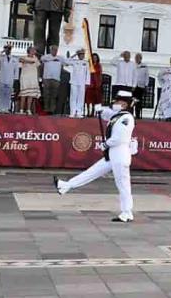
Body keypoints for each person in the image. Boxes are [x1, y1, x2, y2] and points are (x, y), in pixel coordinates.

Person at [54, 90, 137, 223]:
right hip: (113, 154)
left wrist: (106, 144)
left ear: (124, 104)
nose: (115, 103)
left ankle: (127, 212)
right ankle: (65, 186)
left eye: (118, 101)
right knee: (92, 172)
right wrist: (99, 108)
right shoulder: (117, 115)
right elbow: (106, 114)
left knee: (123, 185)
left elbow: (119, 138)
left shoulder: (126, 118)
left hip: (120, 154)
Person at [40, 45, 65, 115]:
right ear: (50, 50)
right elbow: (42, 60)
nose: (54, 51)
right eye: (53, 50)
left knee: (54, 95)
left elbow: (66, 62)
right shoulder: (45, 57)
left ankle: (52, 110)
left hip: (56, 79)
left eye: (56, 50)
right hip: (47, 78)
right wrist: (51, 59)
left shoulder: (60, 58)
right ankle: (46, 109)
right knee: (46, 94)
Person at [66, 49, 90, 118]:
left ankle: (79, 112)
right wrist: (74, 54)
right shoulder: (74, 61)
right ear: (78, 55)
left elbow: (88, 73)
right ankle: (72, 112)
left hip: (82, 83)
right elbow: (66, 61)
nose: (82, 56)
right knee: (73, 97)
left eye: (83, 54)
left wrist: (87, 83)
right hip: (74, 82)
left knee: (81, 98)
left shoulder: (86, 63)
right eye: (80, 54)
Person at [17, 46, 41, 114]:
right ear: (29, 51)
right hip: (25, 78)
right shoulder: (23, 57)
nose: (34, 51)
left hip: (33, 79)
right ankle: (21, 110)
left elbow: (38, 67)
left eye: (34, 50)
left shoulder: (36, 58)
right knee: (24, 94)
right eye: (33, 50)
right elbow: (20, 60)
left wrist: (38, 77)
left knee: (31, 94)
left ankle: (28, 109)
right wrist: (29, 61)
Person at [0, 44, 19, 113]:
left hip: (10, 79)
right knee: (1, 94)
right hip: (2, 78)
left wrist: (16, 78)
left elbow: (16, 69)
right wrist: (2, 51)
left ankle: (6, 108)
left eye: (9, 49)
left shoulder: (15, 59)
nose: (8, 50)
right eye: (6, 49)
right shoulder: (1, 58)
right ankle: (0, 108)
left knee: (8, 94)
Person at [133, 53, 149, 119]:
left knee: (139, 101)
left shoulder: (144, 66)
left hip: (140, 86)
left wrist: (146, 85)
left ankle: (137, 115)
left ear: (141, 59)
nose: (137, 59)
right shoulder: (132, 65)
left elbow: (147, 76)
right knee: (132, 101)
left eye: (138, 57)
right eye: (136, 57)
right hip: (133, 86)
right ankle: (130, 114)